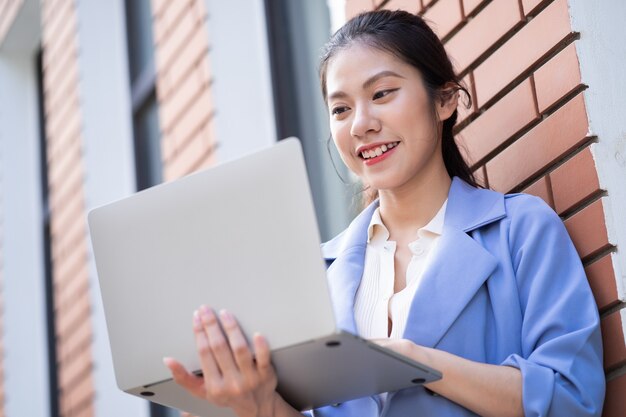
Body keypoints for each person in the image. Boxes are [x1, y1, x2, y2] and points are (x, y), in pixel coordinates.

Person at [163, 9, 605, 417]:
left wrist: (421, 362)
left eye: (382, 93)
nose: (360, 123)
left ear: (445, 100)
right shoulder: (313, 278)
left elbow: (571, 397)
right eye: (340, 109)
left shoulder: (521, 231)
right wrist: (260, 405)